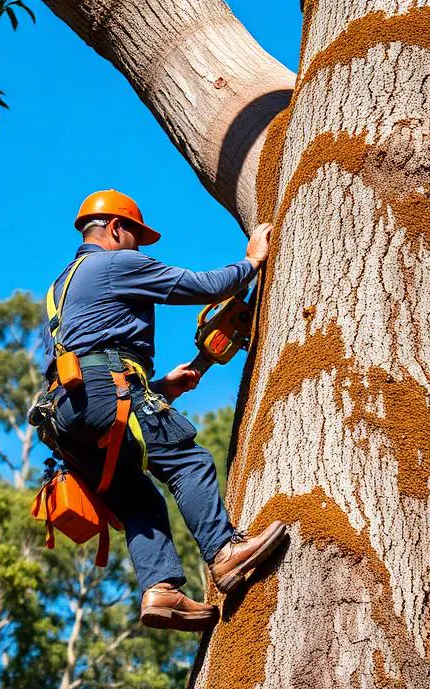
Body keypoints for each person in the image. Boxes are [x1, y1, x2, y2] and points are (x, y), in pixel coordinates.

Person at [38, 189, 287, 632]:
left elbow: (84, 363)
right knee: (188, 461)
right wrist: (250, 263)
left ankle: (162, 589)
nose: (140, 249)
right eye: (136, 237)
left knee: (139, 498)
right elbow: (203, 286)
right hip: (106, 387)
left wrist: (158, 388)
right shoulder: (115, 263)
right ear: (116, 229)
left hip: (65, 417)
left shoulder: (60, 289)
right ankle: (224, 551)